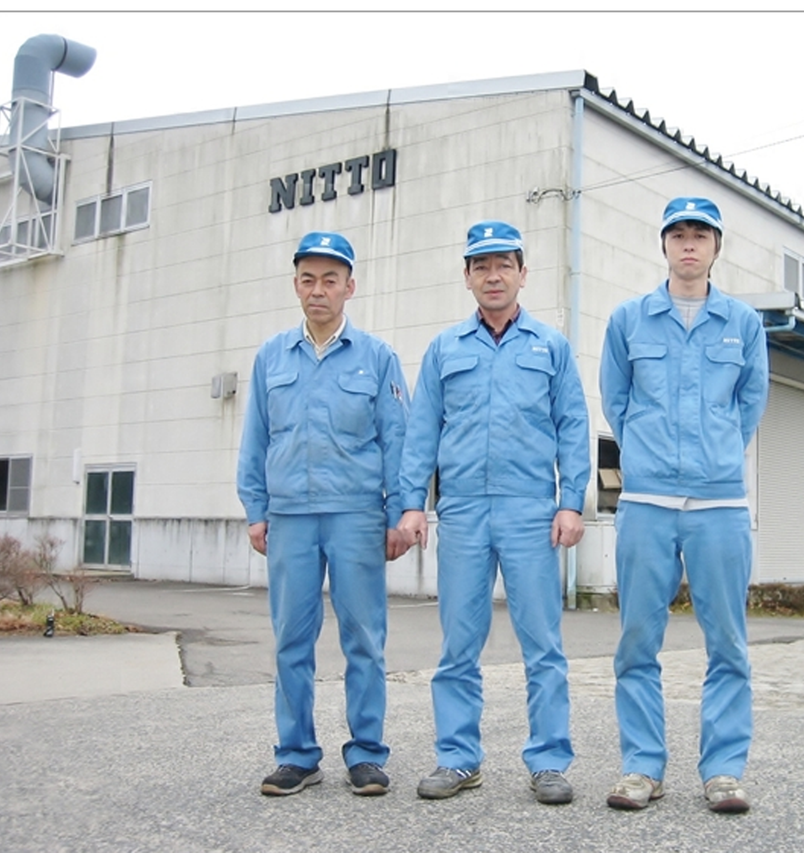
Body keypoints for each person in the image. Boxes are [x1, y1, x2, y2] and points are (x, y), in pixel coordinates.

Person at [397, 220, 590, 805]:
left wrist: (571, 501)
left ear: (523, 274)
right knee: (458, 643)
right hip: (462, 511)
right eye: (481, 265)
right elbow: (422, 431)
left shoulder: (551, 347)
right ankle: (458, 759)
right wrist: (412, 503)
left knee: (543, 644)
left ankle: (549, 761)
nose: (493, 275)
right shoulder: (445, 349)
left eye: (504, 264)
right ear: (467, 277)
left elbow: (573, 426)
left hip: (531, 511)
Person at [599, 197, 769, 813]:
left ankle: (722, 771)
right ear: (665, 245)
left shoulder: (743, 323)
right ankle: (642, 768)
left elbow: (749, 403)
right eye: (678, 234)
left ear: (716, 247)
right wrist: (650, 453)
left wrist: (714, 452)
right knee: (636, 641)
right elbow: (616, 400)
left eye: (701, 234)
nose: (689, 244)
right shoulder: (629, 320)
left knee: (728, 643)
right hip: (646, 500)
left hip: (718, 502)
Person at [237, 231, 411, 798]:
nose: (318, 290)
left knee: (364, 639)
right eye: (308, 279)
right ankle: (296, 755)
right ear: (296, 286)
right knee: (291, 640)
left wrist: (399, 513)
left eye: (330, 280)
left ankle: (367, 754)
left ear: (349, 288)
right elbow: (256, 439)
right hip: (289, 517)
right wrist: (256, 509)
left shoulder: (377, 358)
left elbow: (398, 442)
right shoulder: (271, 357)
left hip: (356, 516)